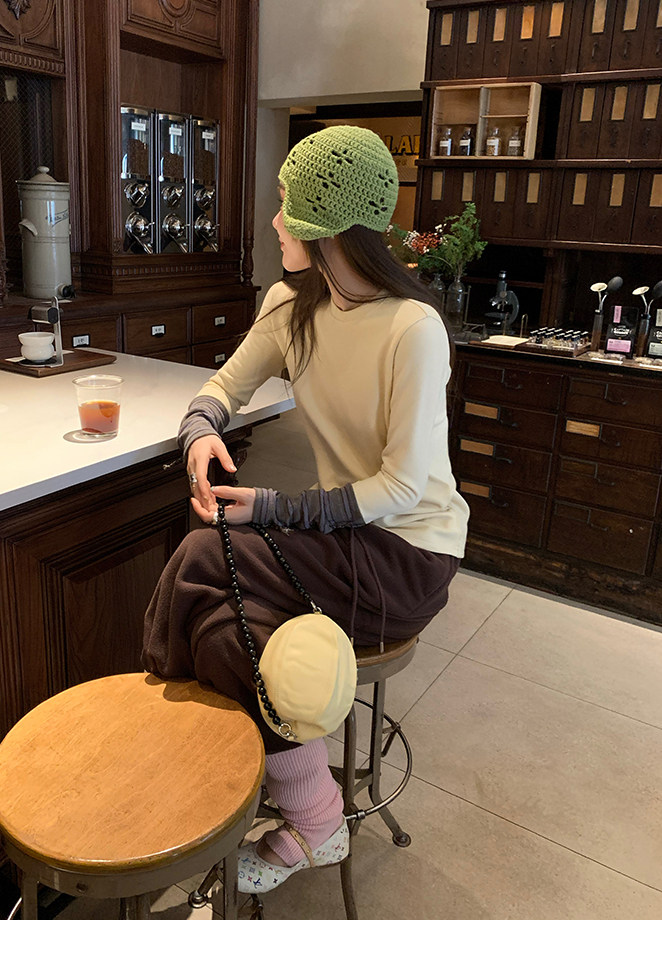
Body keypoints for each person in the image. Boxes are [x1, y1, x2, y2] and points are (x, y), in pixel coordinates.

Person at [142, 125, 469, 894]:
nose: (276, 221)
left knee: (203, 553)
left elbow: (400, 489)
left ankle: (183, 759)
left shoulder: (413, 328)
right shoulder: (289, 305)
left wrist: (271, 507)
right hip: (340, 541)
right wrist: (200, 431)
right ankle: (308, 808)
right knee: (225, 628)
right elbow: (223, 387)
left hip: (407, 554)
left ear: (329, 223)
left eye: (288, 205)